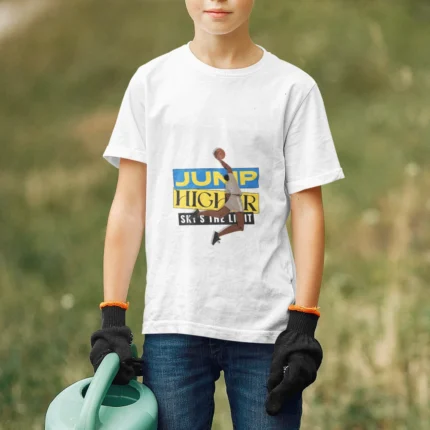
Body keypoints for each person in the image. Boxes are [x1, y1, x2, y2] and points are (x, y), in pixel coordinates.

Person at [89, 0, 345, 429]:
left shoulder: (292, 89)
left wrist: (304, 323)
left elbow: (306, 210)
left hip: (266, 332)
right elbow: (129, 206)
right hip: (174, 326)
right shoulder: (151, 83)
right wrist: (112, 316)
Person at [190, 148, 245, 245]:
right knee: (240, 226)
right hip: (236, 199)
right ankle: (218, 234)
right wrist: (220, 160)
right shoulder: (231, 179)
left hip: (231, 200)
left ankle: (199, 213)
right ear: (228, 176)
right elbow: (228, 168)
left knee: (219, 214)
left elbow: (227, 196)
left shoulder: (227, 184)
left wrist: (227, 204)